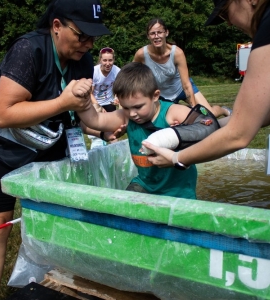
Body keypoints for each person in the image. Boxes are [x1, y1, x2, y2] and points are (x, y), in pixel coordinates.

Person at [0, 0, 116, 299]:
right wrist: (63, 102)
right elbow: (3, 114)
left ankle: (50, 288)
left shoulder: (83, 59)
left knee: (55, 218)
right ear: (57, 26)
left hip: (46, 143)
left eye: (93, 38)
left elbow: (82, 113)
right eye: (82, 35)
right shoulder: (29, 50)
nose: (88, 44)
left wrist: (114, 122)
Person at [142, 0, 270, 171]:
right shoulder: (142, 54)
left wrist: (177, 157)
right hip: (165, 91)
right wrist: (196, 129)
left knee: (205, 112)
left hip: (180, 89)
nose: (229, 23)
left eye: (225, 13)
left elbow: (238, 134)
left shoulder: (267, 29)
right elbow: (260, 116)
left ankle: (220, 109)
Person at [77, 62, 198, 199]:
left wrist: (183, 132)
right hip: (145, 184)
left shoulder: (173, 113)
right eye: (126, 107)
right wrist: (82, 97)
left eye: (138, 107)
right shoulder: (126, 117)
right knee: (122, 211)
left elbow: (208, 127)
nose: (132, 113)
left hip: (178, 189)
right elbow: (94, 120)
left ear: (155, 96)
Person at [133, 18, 232, 118]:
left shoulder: (177, 53)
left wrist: (194, 109)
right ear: (148, 36)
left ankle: (223, 110)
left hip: (181, 89)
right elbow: (131, 75)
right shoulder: (141, 54)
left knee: (208, 115)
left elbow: (186, 84)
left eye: (160, 32)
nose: (156, 36)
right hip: (162, 95)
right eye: (152, 33)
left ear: (166, 33)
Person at [88, 47, 121, 149]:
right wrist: (97, 106)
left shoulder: (117, 71)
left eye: (110, 60)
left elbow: (120, 88)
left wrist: (117, 97)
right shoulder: (94, 71)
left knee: (113, 132)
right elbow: (89, 93)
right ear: (100, 60)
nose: (108, 63)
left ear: (113, 60)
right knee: (98, 131)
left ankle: (116, 153)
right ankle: (96, 149)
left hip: (109, 103)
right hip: (95, 102)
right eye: (105, 60)